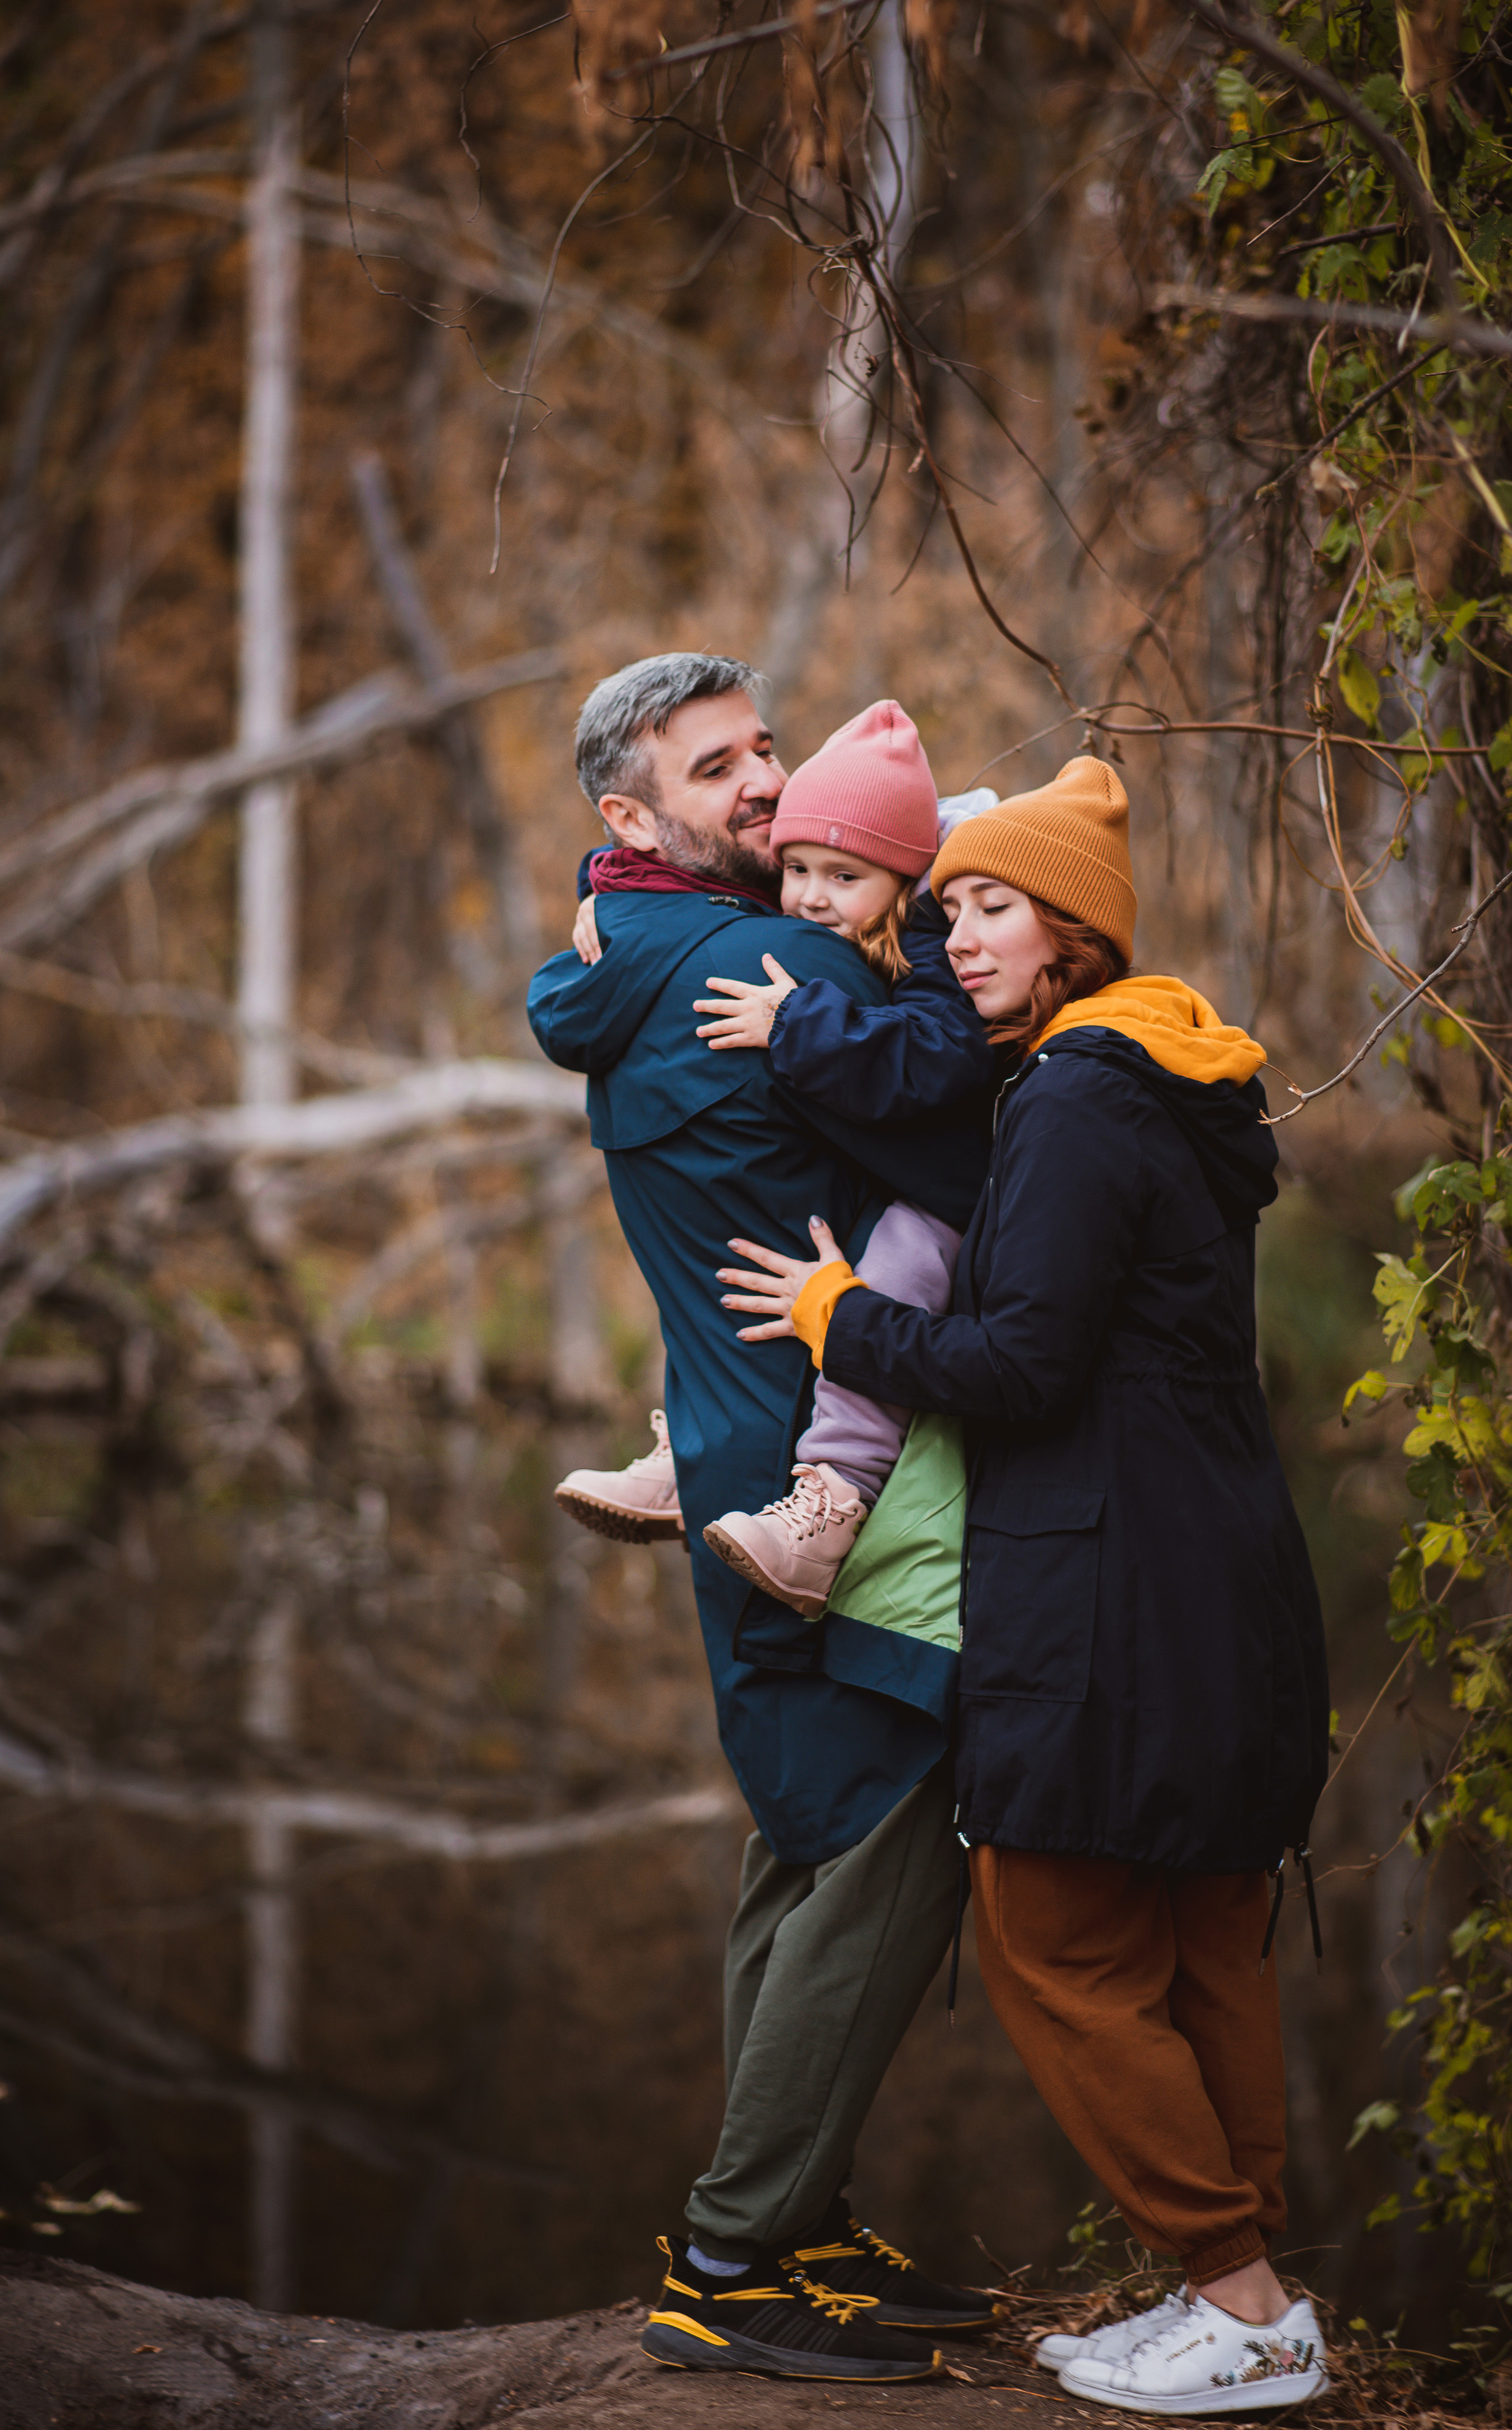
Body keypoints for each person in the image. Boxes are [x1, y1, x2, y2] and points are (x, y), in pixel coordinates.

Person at [717, 757, 1334, 2416]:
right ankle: (1247, 2302)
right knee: (1207, 1944)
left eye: (990, 907)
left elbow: (1025, 1361)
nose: (955, 935)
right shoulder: (1180, 1084)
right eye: (949, 908)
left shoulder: (1073, 1094)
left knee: (1054, 1938)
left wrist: (843, 1318)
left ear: (1074, 929)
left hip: (1118, 1584)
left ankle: (1240, 2296)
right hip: (1226, 1578)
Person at [527, 653, 997, 2386]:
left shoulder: (627, 953)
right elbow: (978, 1137)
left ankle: (786, 2224)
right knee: (896, 1815)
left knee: (805, 1834)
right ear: (630, 815)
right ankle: (736, 2253)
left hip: (738, 1459)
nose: (765, 784)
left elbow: (568, 990)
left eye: (768, 749)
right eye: (717, 767)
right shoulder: (783, 961)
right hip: (830, 1465)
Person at [560, 698, 999, 1617]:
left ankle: (834, 1496)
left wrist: (795, 1020)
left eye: (842, 875)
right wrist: (599, 890)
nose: (807, 896)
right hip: (884, 1161)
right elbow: (690, 860)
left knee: (884, 1284)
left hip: (948, 1191)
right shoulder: (810, 912)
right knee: (731, 1231)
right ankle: (689, 1448)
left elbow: (941, 1060)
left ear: (903, 874)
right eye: (797, 869)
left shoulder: (930, 938)